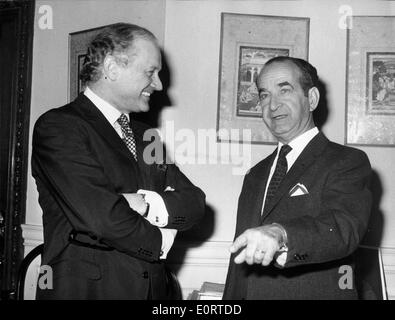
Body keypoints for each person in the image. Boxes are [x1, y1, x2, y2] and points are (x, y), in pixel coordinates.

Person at [32, 23, 205, 300]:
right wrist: (162, 240)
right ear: (112, 68)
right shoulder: (58, 127)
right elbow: (104, 218)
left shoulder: (146, 136)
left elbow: (194, 202)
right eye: (150, 72)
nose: (159, 84)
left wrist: (146, 204)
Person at [223, 57, 372, 300]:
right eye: (264, 95)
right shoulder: (255, 174)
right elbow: (239, 264)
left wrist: (281, 233)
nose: (272, 105)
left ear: (311, 99)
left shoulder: (346, 161)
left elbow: (344, 229)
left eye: (285, 90)